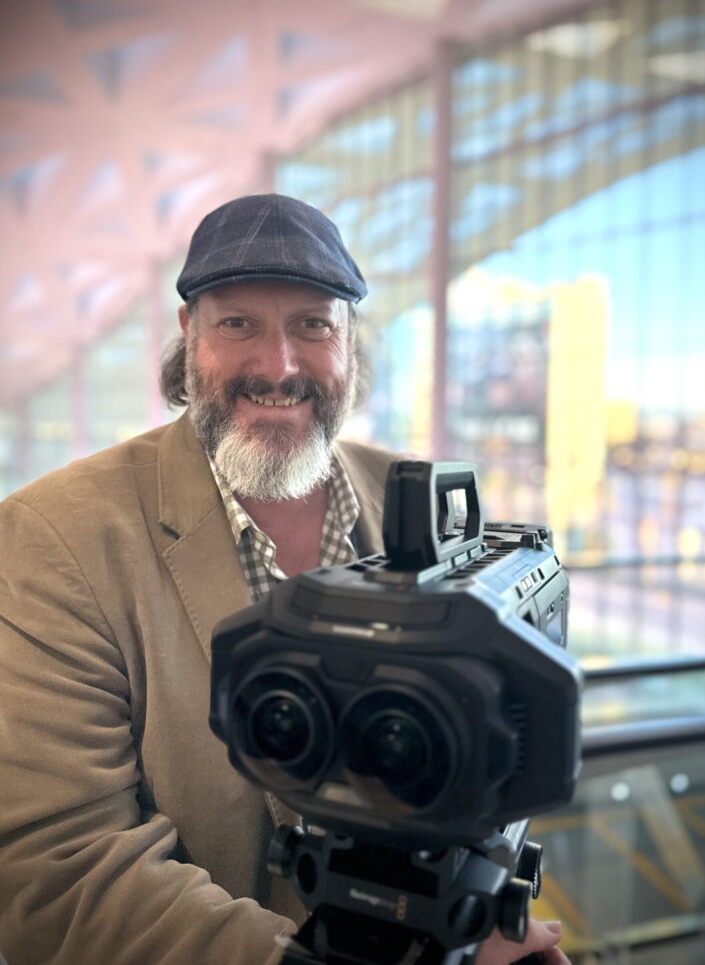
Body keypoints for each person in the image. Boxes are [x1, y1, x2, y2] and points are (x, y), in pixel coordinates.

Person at [0, 194, 570, 965]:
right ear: (188, 335)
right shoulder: (54, 538)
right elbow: (58, 871)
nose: (279, 367)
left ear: (349, 342)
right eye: (238, 324)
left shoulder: (419, 499)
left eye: (312, 325)